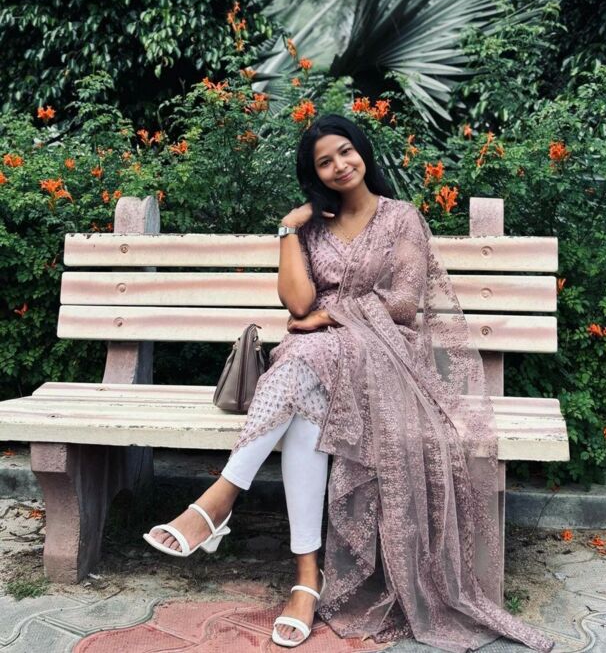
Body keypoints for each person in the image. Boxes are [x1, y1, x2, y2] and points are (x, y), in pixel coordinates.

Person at [143, 114, 555, 652]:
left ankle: (221, 501)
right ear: (314, 174)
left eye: (345, 152)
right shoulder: (312, 228)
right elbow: (297, 305)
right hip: (322, 364)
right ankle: (305, 579)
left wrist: (331, 315)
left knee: (302, 354)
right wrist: (289, 230)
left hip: (388, 357)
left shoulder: (401, 218)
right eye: (324, 162)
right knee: (305, 407)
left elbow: (403, 305)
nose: (339, 165)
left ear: (362, 152)